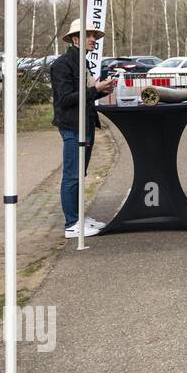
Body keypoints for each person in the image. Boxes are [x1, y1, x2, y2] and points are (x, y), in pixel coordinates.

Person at [51, 18, 117, 238]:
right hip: (72, 125)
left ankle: (78, 217)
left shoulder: (83, 62)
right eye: (89, 36)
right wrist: (94, 89)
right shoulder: (62, 64)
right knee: (72, 175)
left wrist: (101, 91)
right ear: (75, 38)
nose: (93, 40)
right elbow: (65, 99)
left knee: (81, 173)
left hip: (85, 123)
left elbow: (84, 96)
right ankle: (72, 224)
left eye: (95, 37)